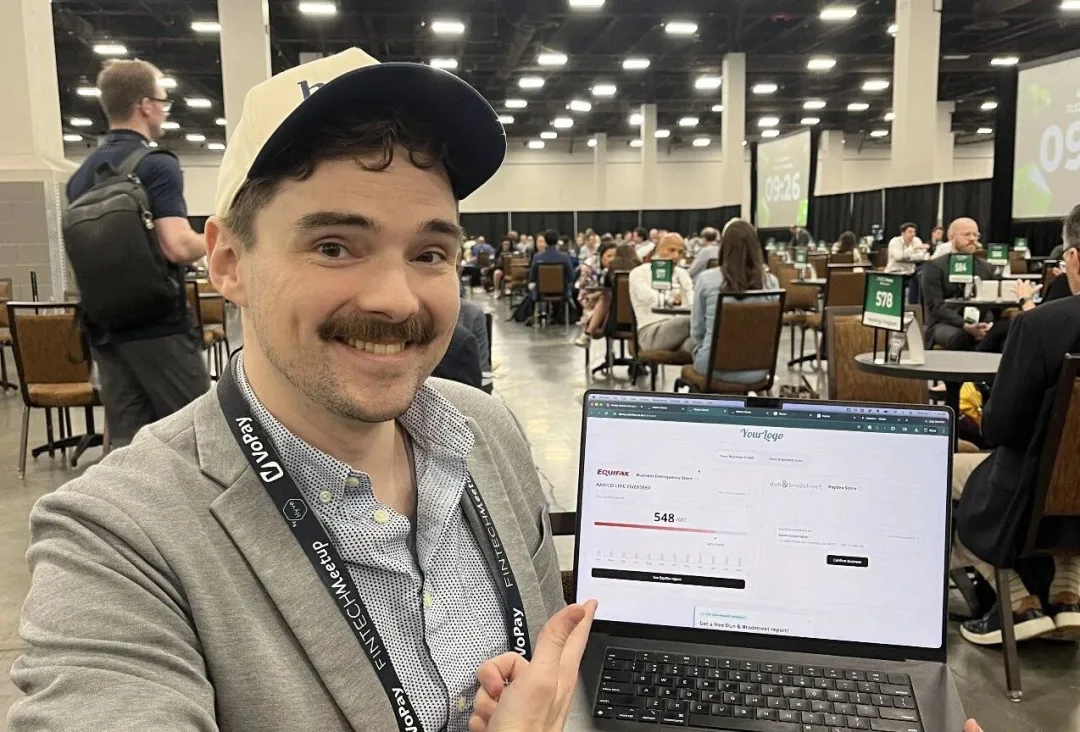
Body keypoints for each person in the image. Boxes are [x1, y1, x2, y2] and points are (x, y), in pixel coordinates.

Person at [9, 48, 574, 732]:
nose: (396, 300)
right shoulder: (118, 538)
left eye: (429, 253)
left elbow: (552, 674)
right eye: (334, 246)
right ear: (227, 263)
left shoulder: (490, 434)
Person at [65, 59, 210, 446]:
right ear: (145, 105)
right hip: (159, 326)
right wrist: (218, 238)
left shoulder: (81, 176)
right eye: (163, 101)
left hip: (106, 329)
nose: (164, 109)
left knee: (127, 448)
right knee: (199, 436)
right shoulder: (156, 164)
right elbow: (177, 245)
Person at [952, 225, 1080, 644]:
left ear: (1074, 258)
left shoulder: (1041, 327)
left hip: (1025, 492)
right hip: (1070, 498)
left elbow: (1000, 428)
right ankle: (1068, 591)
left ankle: (1017, 599)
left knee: (938, 471)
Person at [690, 221, 780, 385]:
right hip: (759, 370)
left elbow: (697, 331)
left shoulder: (706, 279)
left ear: (724, 247)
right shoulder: (772, 283)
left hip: (712, 368)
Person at [922, 217, 998, 350]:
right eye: (967, 234)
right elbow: (935, 306)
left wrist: (988, 324)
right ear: (951, 237)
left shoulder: (987, 268)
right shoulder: (934, 266)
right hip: (944, 323)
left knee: (1002, 336)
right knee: (959, 336)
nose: (972, 239)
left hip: (980, 321)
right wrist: (964, 324)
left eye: (975, 235)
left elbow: (993, 303)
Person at [628, 233, 694, 353]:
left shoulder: (682, 274)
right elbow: (652, 300)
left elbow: (691, 301)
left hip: (680, 331)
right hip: (651, 331)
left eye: (680, 252)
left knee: (701, 345)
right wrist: (672, 299)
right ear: (659, 249)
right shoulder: (639, 273)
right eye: (671, 250)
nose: (675, 256)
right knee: (694, 321)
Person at [528, 230, 575, 297]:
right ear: (557, 241)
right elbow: (571, 277)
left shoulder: (537, 257)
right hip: (562, 293)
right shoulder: (564, 257)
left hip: (541, 293)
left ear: (546, 241)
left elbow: (532, 278)